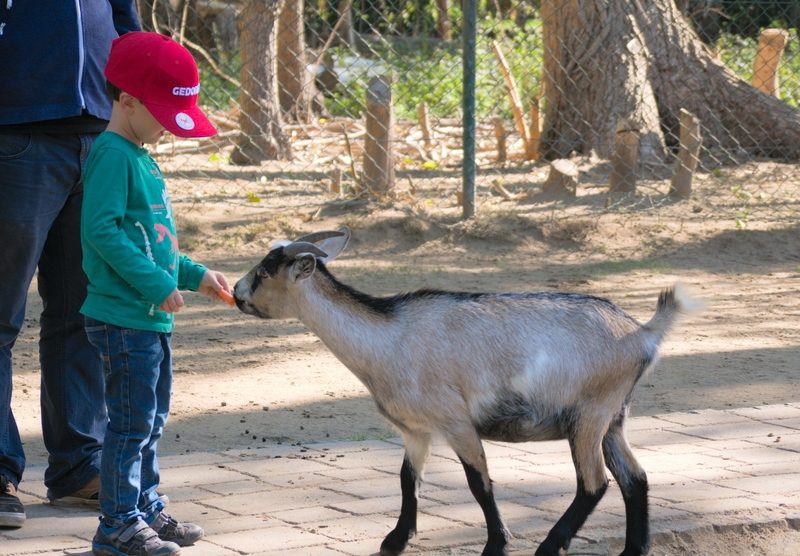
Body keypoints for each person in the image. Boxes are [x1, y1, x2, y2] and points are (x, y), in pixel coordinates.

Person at [80, 31, 231, 556]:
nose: (169, 129)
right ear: (126, 100)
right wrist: (156, 284)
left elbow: (155, 242)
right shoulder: (112, 156)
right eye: (163, 115)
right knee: (130, 423)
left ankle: (144, 506)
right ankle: (117, 524)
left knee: (151, 420)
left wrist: (195, 274)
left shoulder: (141, 155)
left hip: (148, 318)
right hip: (123, 317)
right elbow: (103, 232)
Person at [0, 1, 141, 528]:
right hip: (15, 135)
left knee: (83, 313)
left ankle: (79, 466)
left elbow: (125, 24)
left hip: (99, 137)